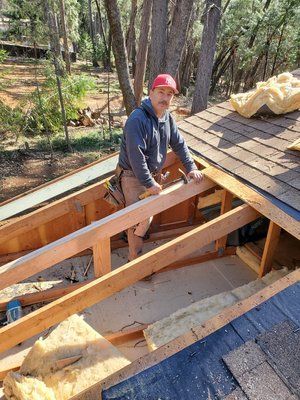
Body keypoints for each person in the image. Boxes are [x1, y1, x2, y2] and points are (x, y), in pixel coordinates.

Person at [118, 73, 203, 261]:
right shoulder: (137, 119)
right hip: (133, 176)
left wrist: (191, 167)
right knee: (139, 218)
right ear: (151, 93)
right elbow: (136, 156)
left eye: (169, 94)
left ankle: (133, 237)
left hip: (153, 175)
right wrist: (149, 183)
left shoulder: (167, 118)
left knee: (144, 217)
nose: (165, 98)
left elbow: (179, 144)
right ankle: (136, 261)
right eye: (161, 92)